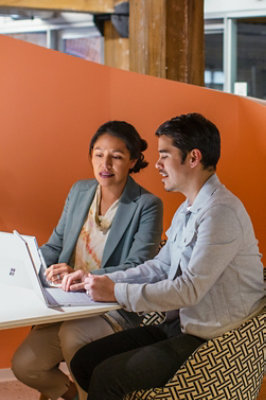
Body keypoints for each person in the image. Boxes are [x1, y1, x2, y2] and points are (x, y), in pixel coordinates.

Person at [69, 113, 264, 400]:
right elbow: (160, 266)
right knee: (84, 361)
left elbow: (190, 290)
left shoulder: (221, 212)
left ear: (193, 157)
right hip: (179, 325)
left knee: (106, 377)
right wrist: (98, 278)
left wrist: (117, 291)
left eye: (165, 156)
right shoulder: (188, 209)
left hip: (209, 339)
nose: (157, 165)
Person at [11, 121, 163, 400]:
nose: (105, 163)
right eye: (98, 154)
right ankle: (75, 395)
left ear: (132, 161)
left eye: (116, 156)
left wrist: (84, 277)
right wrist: (24, 262)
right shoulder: (80, 191)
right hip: (66, 303)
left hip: (110, 308)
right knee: (24, 366)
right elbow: (57, 244)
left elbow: (139, 268)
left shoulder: (147, 205)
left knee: (73, 337)